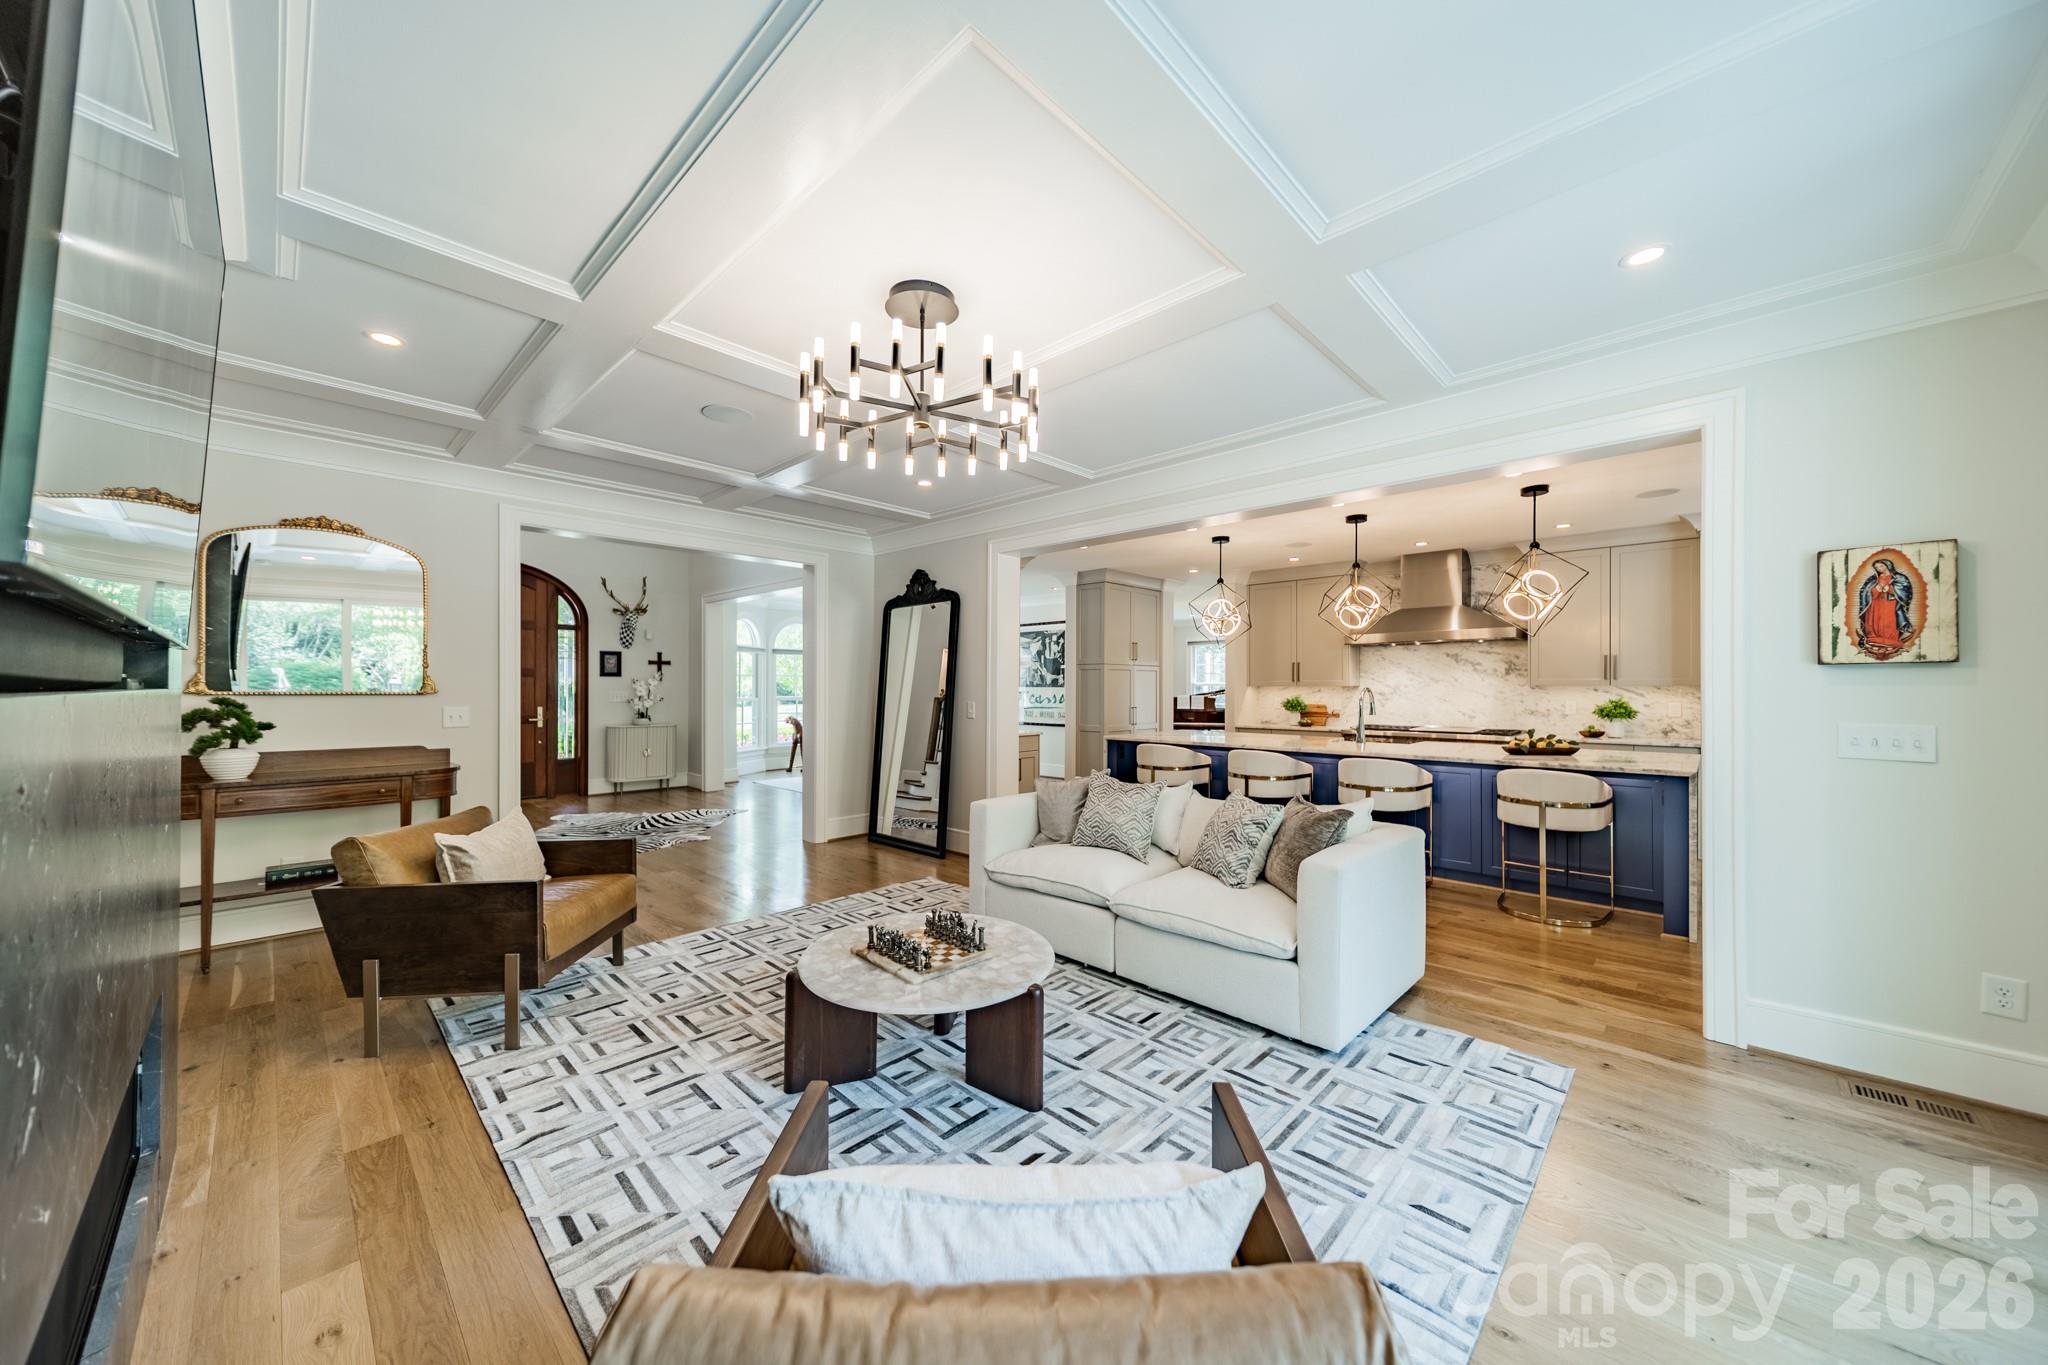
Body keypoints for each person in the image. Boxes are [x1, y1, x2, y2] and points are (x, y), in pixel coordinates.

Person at [1855, 556, 1914, 658]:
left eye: (1881, 566)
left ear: (1888, 566)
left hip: (1890, 604)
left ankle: (1890, 640)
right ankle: (1873, 638)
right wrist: (1876, 589)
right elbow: (1864, 592)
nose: (1879, 569)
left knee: (1889, 620)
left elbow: (1905, 591)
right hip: (1875, 604)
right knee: (1874, 620)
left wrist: (1891, 589)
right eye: (1877, 567)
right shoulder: (1873, 579)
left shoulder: (1899, 578)